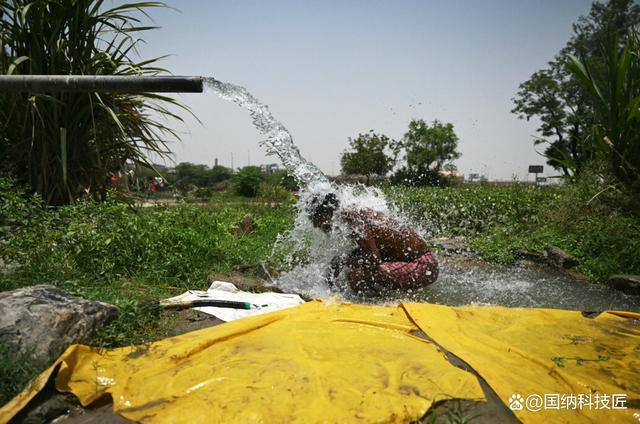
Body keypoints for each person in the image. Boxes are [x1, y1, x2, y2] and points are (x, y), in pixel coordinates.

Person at [308, 193, 438, 294]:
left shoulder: (353, 218)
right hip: (412, 262)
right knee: (353, 263)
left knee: (357, 275)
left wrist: (342, 262)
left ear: (330, 214)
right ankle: (383, 299)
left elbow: (373, 258)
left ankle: (374, 309)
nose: (323, 229)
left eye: (322, 223)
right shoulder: (352, 214)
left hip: (424, 266)